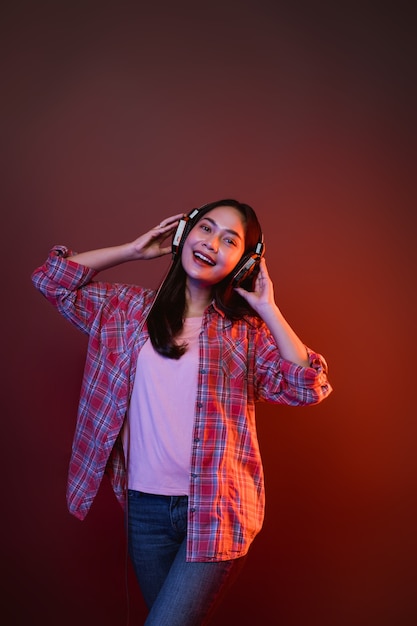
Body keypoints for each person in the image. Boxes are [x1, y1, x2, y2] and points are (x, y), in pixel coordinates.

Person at [31, 198, 332, 625]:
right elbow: (50, 280)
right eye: (205, 228)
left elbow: (310, 386)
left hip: (215, 510)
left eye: (229, 240)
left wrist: (268, 307)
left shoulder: (244, 334)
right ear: (183, 234)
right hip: (145, 509)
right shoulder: (127, 311)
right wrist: (133, 251)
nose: (211, 243)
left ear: (245, 263)